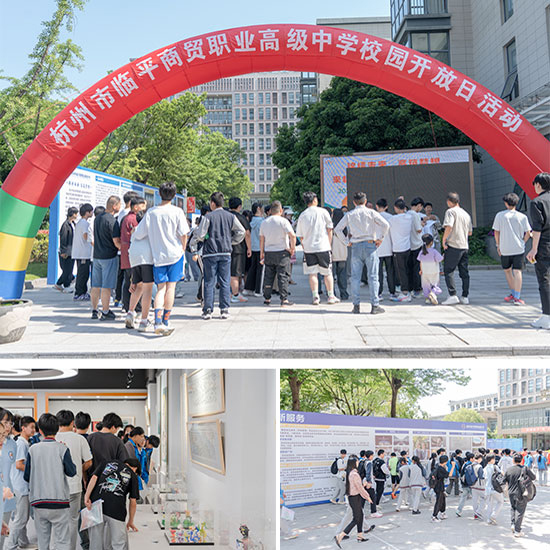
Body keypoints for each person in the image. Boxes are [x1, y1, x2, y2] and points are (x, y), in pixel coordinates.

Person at [133, 182, 189, 335]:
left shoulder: (151, 212)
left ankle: (157, 322)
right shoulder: (177, 212)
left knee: (160, 288)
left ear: (159, 194)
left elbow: (139, 234)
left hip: (158, 256)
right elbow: (184, 234)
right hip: (175, 254)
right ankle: (165, 321)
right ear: (174, 195)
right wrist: (183, 248)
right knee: (171, 288)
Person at [23, 413, 76, 550]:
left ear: (40, 430)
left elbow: (26, 476)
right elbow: (72, 472)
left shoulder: (32, 449)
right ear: (57, 429)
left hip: (39, 502)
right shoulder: (62, 448)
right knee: (62, 541)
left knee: (42, 541)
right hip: (59, 502)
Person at [189, 192, 246, 320]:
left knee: (209, 281)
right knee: (225, 281)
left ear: (213, 203)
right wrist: (231, 241)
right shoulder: (230, 216)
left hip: (210, 253)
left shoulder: (208, 217)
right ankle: (224, 309)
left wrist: (195, 247)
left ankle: (208, 310)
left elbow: (201, 235)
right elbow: (241, 231)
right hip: (226, 252)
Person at [334, 192, 389, 314]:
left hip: (356, 246)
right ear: (365, 201)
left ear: (354, 202)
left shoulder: (349, 214)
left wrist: (346, 241)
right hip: (370, 245)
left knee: (355, 277)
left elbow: (337, 229)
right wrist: (380, 238)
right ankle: (375, 305)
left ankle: (356, 305)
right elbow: (386, 225)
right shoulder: (372, 213)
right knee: (373, 276)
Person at [55, 410, 93, 550]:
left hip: (55, 487)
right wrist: (79, 470)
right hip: (74, 487)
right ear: (72, 423)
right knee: (73, 520)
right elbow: (89, 462)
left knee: (57, 521)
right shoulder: (80, 439)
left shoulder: (53, 438)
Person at [85, 457, 140, 550]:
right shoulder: (132, 474)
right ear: (135, 468)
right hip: (116, 510)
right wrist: (130, 521)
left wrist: (87, 497)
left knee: (95, 541)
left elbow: (94, 477)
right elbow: (133, 501)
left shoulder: (106, 463)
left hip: (96, 505)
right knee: (119, 543)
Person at [296, 191, 340, 305]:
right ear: (315, 200)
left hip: (309, 248)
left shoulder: (302, 215)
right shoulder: (323, 212)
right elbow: (330, 228)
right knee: (327, 273)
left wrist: (305, 246)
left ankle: (315, 297)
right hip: (323, 246)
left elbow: (300, 235)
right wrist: (329, 244)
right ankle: (331, 296)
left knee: (312, 273)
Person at [492, 193, 532, 305]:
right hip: (518, 248)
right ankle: (517, 297)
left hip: (505, 248)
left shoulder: (500, 215)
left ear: (506, 203)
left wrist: (498, 245)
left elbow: (496, 232)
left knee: (507, 271)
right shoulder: (522, 216)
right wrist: (523, 241)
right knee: (517, 271)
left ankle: (513, 293)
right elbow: (528, 233)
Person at [5, 416, 35, 550]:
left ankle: (23, 543)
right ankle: (10, 545)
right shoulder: (21, 443)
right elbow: (19, 464)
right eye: (31, 427)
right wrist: (34, 472)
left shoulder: (23, 442)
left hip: (19, 485)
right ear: (23, 428)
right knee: (21, 519)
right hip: (20, 486)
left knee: (22, 517)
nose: (33, 430)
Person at [259, 201, 296, 307]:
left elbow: (261, 238)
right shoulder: (283, 221)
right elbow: (292, 235)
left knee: (268, 276)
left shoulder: (264, 222)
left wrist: (262, 252)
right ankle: (284, 299)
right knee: (283, 276)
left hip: (269, 252)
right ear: (281, 210)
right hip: (282, 252)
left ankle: (267, 298)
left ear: (270, 210)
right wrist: (292, 248)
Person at [90, 195, 122, 320]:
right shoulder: (112, 221)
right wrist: (125, 249)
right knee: (106, 286)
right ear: (114, 206)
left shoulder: (97, 218)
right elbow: (116, 242)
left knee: (95, 285)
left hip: (97, 256)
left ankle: (94, 310)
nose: (120, 207)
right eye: (119, 204)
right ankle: (105, 311)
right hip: (109, 257)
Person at [334, 455, 374, 547]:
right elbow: (359, 488)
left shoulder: (350, 473)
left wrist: (362, 485)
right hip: (355, 498)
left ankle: (360, 536)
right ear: (354, 463)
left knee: (361, 516)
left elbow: (356, 487)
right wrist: (367, 497)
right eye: (357, 461)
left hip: (353, 497)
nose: (358, 462)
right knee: (356, 519)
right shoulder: (354, 474)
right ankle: (340, 535)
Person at [526, 172, 550, 329]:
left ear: (538, 185)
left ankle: (547, 317)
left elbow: (537, 227)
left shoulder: (537, 202)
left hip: (544, 246)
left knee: (545, 280)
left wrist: (533, 249)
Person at [441, 192, 473, 305]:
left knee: (448, 271)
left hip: (454, 245)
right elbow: (470, 232)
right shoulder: (466, 214)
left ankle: (452, 295)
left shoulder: (450, 212)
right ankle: (465, 296)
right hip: (464, 246)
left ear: (449, 201)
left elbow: (449, 226)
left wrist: (444, 239)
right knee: (464, 272)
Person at [127, 207, 155, 332]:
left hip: (134, 258)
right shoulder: (151, 229)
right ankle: (144, 320)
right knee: (147, 289)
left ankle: (130, 313)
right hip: (147, 258)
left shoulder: (135, 229)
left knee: (138, 287)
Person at [120, 196, 147, 315]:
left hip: (128, 254)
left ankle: (127, 306)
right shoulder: (133, 219)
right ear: (135, 207)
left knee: (129, 280)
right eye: (142, 205)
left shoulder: (126, 218)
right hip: (133, 255)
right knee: (135, 282)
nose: (144, 208)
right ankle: (135, 307)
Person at [504, 453, 536, 538]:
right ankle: (517, 531)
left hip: (511, 492)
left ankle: (513, 524)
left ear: (513, 460)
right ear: (522, 460)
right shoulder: (525, 468)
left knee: (513, 508)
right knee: (520, 511)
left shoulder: (509, 469)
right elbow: (534, 477)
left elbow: (504, 480)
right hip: (522, 493)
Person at [228, 197, 252, 304]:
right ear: (239, 206)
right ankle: (235, 294)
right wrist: (249, 248)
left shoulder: (226, 216)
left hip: (225, 248)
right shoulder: (241, 218)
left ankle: (229, 293)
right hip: (238, 249)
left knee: (227, 272)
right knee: (235, 273)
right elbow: (247, 234)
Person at [0, 412, 18, 550]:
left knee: (2, 537)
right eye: (5, 422)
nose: (8, 426)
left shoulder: (12, 444)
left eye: (10, 423)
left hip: (6, 497)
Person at [389, 199, 413, 302]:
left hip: (398, 248)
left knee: (400, 271)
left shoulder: (393, 219)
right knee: (407, 270)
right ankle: (409, 290)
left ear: (395, 208)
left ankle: (405, 292)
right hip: (407, 247)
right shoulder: (409, 217)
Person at [375, 199, 396, 301]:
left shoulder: (374, 217)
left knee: (378, 273)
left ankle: (379, 293)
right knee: (390, 272)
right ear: (387, 206)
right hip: (389, 248)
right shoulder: (391, 217)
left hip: (377, 248)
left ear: (376, 206)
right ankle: (392, 292)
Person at [72, 203, 94, 301]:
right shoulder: (84, 223)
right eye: (91, 211)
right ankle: (79, 293)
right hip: (83, 253)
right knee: (82, 274)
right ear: (87, 212)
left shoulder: (80, 222)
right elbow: (86, 236)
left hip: (81, 253)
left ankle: (82, 292)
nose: (92, 213)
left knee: (83, 273)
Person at [54, 206, 78, 293]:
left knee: (69, 269)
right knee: (67, 270)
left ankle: (64, 284)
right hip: (66, 251)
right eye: (76, 213)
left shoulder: (73, 224)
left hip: (72, 250)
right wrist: (63, 251)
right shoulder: (65, 225)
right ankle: (63, 285)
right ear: (73, 214)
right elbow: (63, 238)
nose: (77, 215)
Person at [243, 203, 265, 297]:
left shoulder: (250, 221)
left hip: (252, 247)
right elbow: (263, 236)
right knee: (260, 269)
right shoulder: (262, 221)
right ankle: (258, 290)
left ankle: (248, 288)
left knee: (252, 268)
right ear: (259, 209)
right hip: (260, 247)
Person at [457, 452, 484, 519]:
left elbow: (461, 474)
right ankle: (477, 513)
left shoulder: (465, 464)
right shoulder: (473, 465)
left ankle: (459, 510)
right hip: (472, 484)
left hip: (465, 484)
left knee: (463, 498)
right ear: (471, 458)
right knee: (476, 499)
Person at [418, 234, 444, 305]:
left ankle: (427, 298)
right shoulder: (434, 251)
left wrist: (421, 270)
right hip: (434, 271)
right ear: (431, 242)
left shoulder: (421, 252)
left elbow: (420, 262)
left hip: (424, 271)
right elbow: (439, 259)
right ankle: (433, 293)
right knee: (435, 284)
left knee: (426, 285)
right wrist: (443, 256)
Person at [407, 197, 425, 298]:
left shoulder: (407, 214)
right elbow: (418, 230)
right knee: (417, 267)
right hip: (417, 244)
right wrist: (422, 225)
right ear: (419, 205)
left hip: (408, 244)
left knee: (409, 268)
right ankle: (417, 289)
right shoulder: (416, 215)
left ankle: (409, 288)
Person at [331, 209, 349, 301]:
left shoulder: (331, 227)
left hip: (332, 254)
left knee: (331, 275)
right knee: (342, 275)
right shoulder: (345, 228)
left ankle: (332, 293)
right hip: (342, 254)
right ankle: (344, 293)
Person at [484, 454, 503, 526]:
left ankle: (489, 519)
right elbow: (501, 474)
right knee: (500, 502)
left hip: (487, 489)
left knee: (489, 504)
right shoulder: (495, 467)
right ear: (491, 460)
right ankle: (493, 516)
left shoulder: (484, 468)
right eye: (494, 459)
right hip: (495, 488)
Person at [432, 454, 450, 522]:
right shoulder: (441, 469)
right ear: (445, 462)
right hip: (439, 487)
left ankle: (442, 513)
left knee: (442, 500)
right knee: (439, 501)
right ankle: (434, 516)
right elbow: (448, 475)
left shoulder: (437, 467)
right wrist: (453, 466)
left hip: (438, 486)